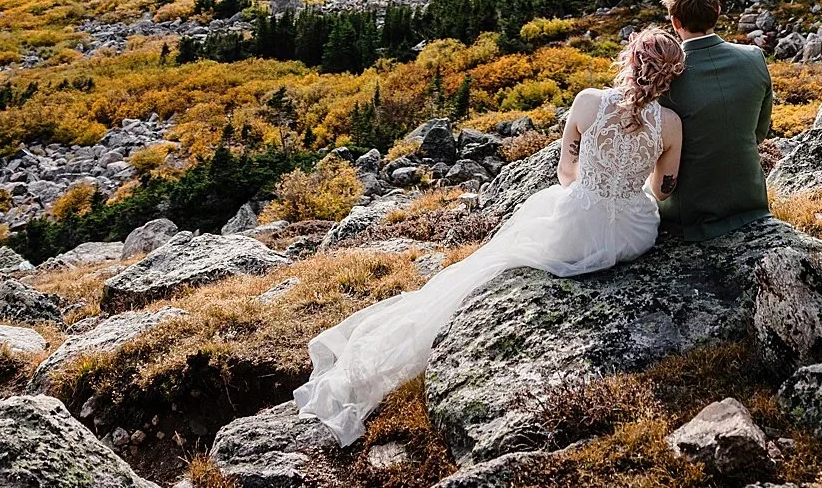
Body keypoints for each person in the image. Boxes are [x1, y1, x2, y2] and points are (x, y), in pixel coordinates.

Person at [293, 26, 686, 445]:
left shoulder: (589, 102)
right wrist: (626, 188)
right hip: (635, 234)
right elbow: (664, 189)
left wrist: (596, 188)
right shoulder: (672, 124)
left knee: (505, 248)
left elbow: (566, 175)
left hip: (578, 230)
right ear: (670, 76)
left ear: (629, 61)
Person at [655, 0, 775, 240]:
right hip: (752, 202)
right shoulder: (754, 58)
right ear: (718, 12)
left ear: (675, 22)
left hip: (690, 216)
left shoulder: (666, 76)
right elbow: (758, 133)